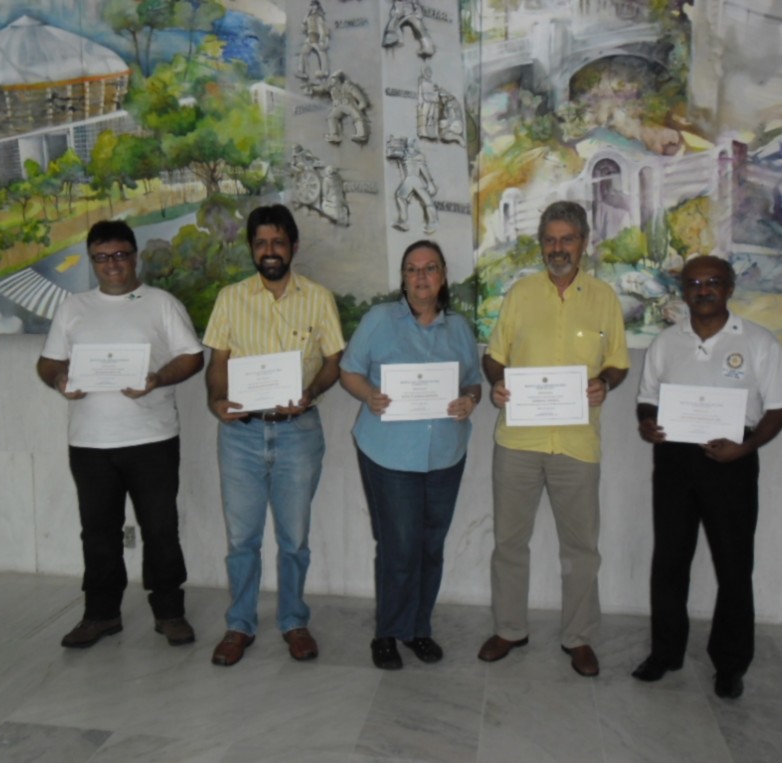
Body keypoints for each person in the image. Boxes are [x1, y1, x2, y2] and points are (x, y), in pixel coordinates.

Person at [37, 220, 204, 649]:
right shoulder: (74, 307)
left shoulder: (161, 304)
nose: (112, 264)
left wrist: (158, 378)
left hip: (152, 439)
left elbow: (192, 357)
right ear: (92, 261)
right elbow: (48, 362)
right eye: (101, 257)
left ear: (134, 256)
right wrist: (59, 379)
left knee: (160, 529)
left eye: (120, 255)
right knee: (97, 532)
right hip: (90, 443)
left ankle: (169, 612)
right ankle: (101, 614)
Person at [632, 255, 782, 700]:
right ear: (683, 291)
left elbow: (779, 409)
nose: (703, 290)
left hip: (732, 460)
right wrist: (647, 422)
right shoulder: (666, 342)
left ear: (729, 288)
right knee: (669, 561)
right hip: (675, 460)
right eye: (694, 283)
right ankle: (665, 653)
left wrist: (745, 448)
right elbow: (647, 398)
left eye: (713, 282)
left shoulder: (759, 342)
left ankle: (730, 664)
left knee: (734, 566)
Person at [479, 200, 629, 677]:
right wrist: (497, 383)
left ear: (583, 243)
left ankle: (578, 637)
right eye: (549, 240)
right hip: (518, 443)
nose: (557, 248)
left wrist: (604, 383)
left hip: (577, 444)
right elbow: (494, 356)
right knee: (509, 543)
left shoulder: (604, 298)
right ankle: (509, 629)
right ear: (540, 244)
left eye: (566, 239)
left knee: (581, 549)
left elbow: (618, 362)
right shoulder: (520, 294)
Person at [203, 203, 345, 667]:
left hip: (298, 433)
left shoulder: (318, 298)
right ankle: (240, 624)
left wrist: (311, 393)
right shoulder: (230, 298)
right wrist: (216, 399)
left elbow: (334, 362)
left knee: (294, 538)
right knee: (242, 539)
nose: (269, 251)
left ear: (293, 247)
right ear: (251, 248)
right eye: (261, 243)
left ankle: (293, 621)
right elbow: (218, 361)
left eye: (278, 242)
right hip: (240, 435)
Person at [340, 240, 481, 670]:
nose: (421, 277)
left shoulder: (459, 329)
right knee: (399, 548)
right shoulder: (379, 320)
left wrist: (470, 400)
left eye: (430, 268)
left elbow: (473, 381)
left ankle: (419, 629)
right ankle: (387, 633)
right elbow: (349, 371)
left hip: (445, 455)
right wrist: (370, 395)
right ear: (403, 278)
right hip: (389, 455)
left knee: (431, 546)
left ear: (443, 277)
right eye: (412, 269)